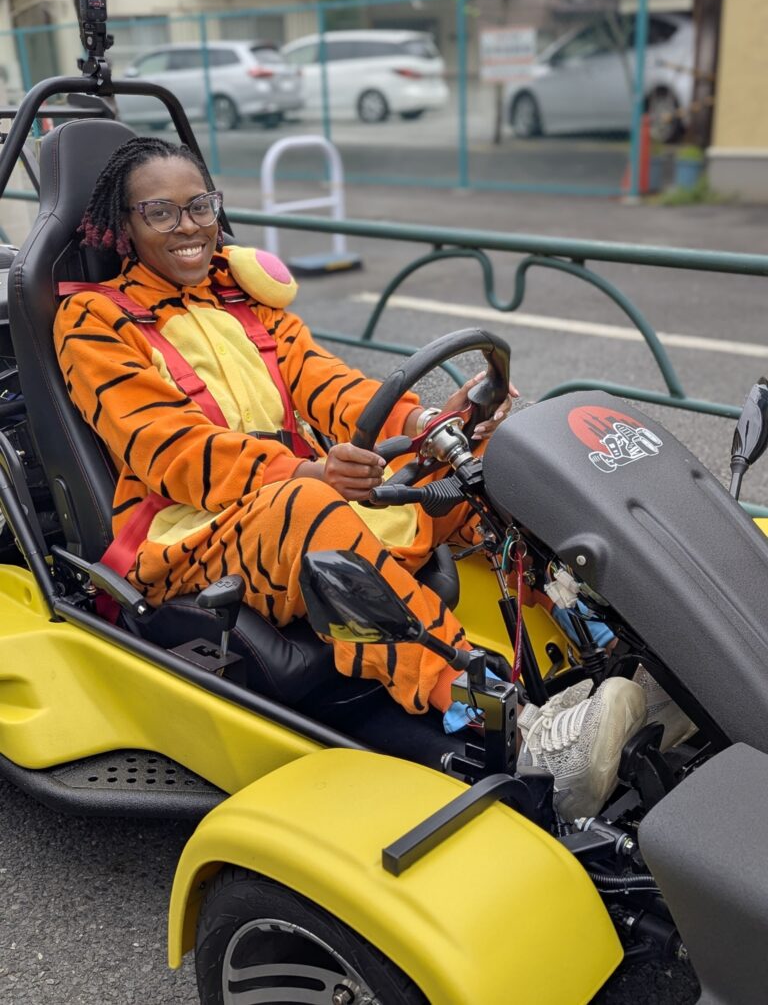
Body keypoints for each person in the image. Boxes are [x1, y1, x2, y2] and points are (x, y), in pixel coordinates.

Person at [55, 136, 659, 820]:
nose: (187, 226)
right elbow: (168, 448)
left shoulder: (244, 299)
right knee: (311, 508)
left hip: (291, 491)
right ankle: (517, 728)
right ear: (124, 228)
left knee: (474, 466)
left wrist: (432, 424)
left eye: (198, 206)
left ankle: (607, 646)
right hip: (187, 530)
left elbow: (332, 386)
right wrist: (307, 467)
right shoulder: (94, 318)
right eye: (159, 213)